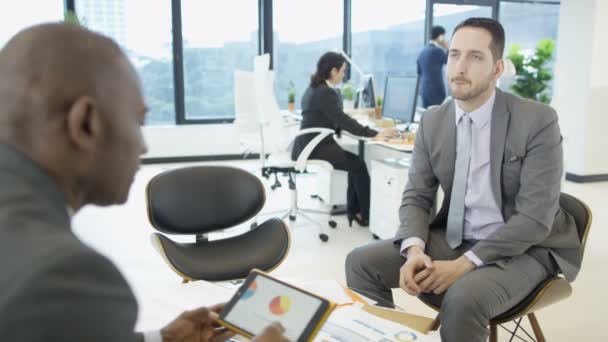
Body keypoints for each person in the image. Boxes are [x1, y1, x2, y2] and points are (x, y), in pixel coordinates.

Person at [0, 23, 288, 342]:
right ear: (85, 123)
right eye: (138, 121)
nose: (144, 146)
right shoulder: (62, 276)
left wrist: (161, 339)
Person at [345, 18, 581, 342]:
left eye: (475, 57)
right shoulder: (433, 121)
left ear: (497, 69)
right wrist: (414, 250)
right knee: (360, 263)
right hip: (458, 237)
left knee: (462, 298)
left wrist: (464, 265)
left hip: (527, 248)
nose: (460, 66)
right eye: (454, 54)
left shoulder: (536, 121)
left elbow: (534, 219)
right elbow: (416, 196)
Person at [291, 52, 397, 227]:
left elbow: (330, 117)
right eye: (342, 71)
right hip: (315, 146)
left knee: (355, 164)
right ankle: (365, 215)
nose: (343, 75)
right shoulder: (326, 92)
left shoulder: (314, 88)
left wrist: (354, 128)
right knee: (358, 165)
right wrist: (374, 134)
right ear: (333, 71)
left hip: (308, 144)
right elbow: (342, 119)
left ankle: (355, 211)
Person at [417, 25, 449, 108]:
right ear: (440, 36)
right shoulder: (437, 51)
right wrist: (447, 47)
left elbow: (419, 72)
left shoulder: (422, 52)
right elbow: (450, 61)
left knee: (427, 116)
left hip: (424, 90)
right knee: (438, 117)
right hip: (436, 91)